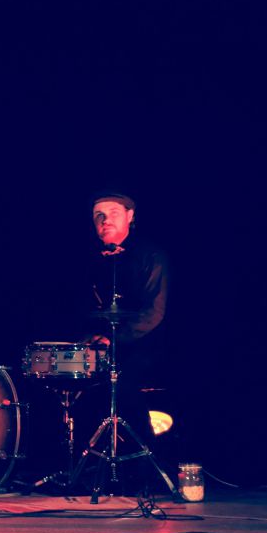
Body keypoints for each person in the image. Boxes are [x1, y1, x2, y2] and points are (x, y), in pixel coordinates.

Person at [81, 191, 172, 490]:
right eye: (98, 215)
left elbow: (153, 312)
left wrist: (114, 338)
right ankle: (89, 468)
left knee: (124, 384)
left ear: (130, 216)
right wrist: (90, 337)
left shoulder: (150, 256)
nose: (105, 220)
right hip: (106, 345)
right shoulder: (92, 260)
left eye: (113, 213)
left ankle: (146, 468)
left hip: (146, 344)